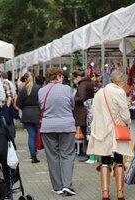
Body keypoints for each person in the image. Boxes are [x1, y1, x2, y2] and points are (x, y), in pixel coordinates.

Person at [87, 70, 132, 200]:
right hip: (116, 129)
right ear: (121, 81)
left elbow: (94, 111)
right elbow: (125, 114)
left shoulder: (100, 92)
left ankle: (105, 193)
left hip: (101, 130)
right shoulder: (119, 92)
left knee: (105, 160)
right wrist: (127, 122)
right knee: (118, 159)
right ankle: (120, 193)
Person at [38, 67, 76, 196]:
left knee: (52, 156)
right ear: (58, 76)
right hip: (66, 126)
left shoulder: (41, 91)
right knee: (67, 155)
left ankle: (57, 186)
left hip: (48, 127)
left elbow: (40, 106)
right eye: (62, 76)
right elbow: (72, 105)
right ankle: (67, 185)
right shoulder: (67, 89)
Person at [16, 72, 41, 163]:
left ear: (25, 80)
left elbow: (18, 103)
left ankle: (33, 154)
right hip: (37, 115)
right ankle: (36, 151)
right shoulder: (38, 88)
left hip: (26, 115)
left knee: (31, 135)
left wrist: (24, 108)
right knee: (37, 135)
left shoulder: (22, 90)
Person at [72, 68, 94, 162]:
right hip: (86, 111)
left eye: (74, 78)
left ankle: (88, 154)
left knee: (86, 134)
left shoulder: (82, 85)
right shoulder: (87, 83)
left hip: (82, 112)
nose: (74, 80)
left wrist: (72, 98)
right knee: (87, 134)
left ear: (78, 77)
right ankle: (89, 153)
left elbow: (81, 98)